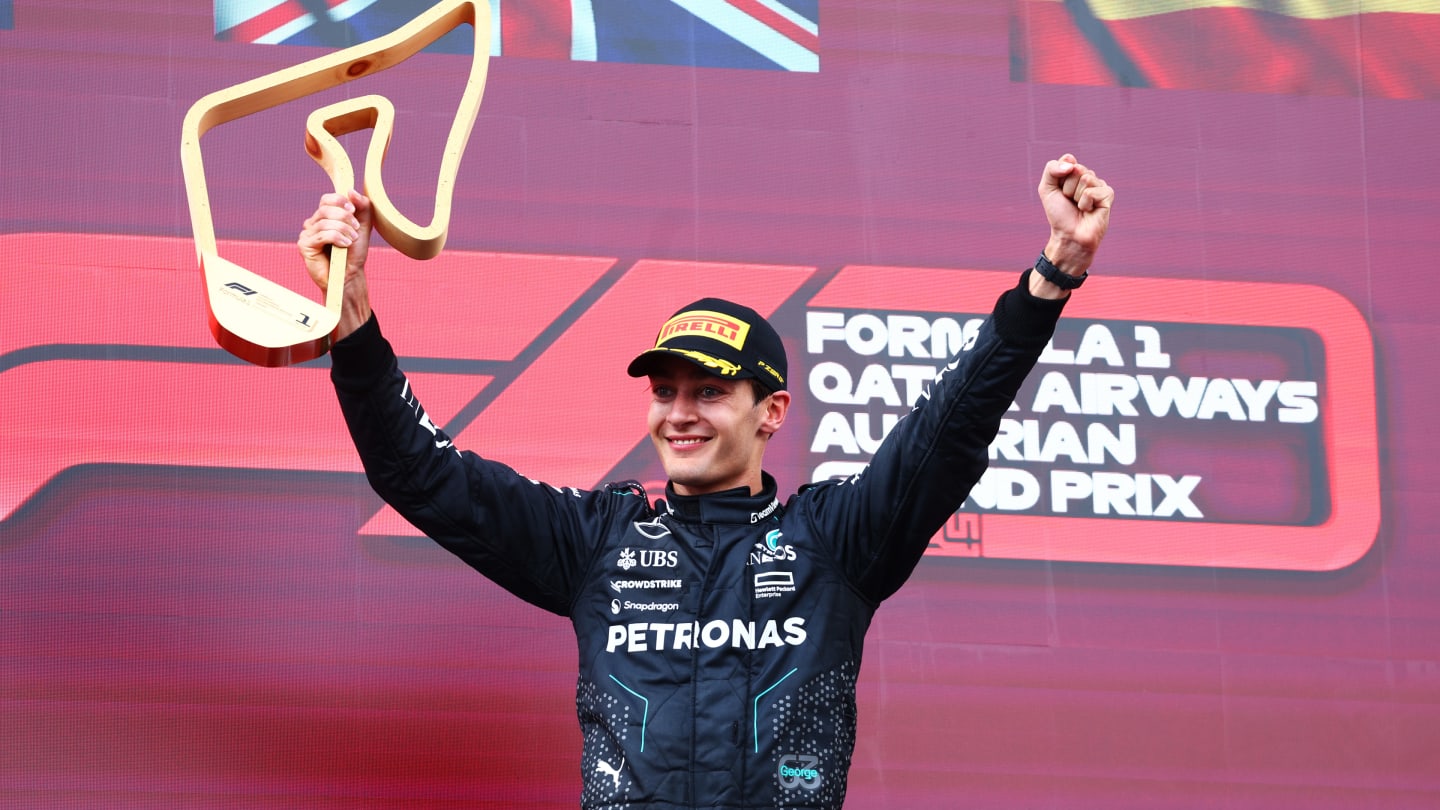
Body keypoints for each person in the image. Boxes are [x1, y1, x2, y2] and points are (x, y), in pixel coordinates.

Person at [298, 154, 1113, 809]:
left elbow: (950, 427)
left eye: (710, 392)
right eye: (664, 392)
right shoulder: (597, 544)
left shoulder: (833, 543)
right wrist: (354, 317)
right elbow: (418, 473)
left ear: (772, 411)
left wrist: (1049, 279)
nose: (679, 414)